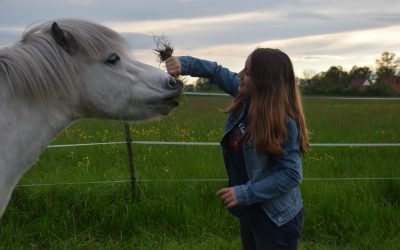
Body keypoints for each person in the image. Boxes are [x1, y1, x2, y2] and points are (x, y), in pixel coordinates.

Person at [166, 48, 309, 250]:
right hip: (251, 211)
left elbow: (291, 174)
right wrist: (183, 64)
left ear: (264, 82)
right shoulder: (247, 96)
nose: (240, 75)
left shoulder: (285, 122)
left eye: (248, 72)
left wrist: (244, 193)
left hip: (276, 219)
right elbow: (216, 71)